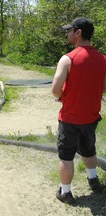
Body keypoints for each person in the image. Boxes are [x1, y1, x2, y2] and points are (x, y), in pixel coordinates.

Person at [51, 17, 106, 204]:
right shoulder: (103, 59)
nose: (67, 34)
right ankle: (93, 180)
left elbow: (55, 90)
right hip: (91, 118)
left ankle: (65, 192)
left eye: (69, 30)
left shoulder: (68, 59)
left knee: (66, 157)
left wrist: (63, 95)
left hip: (70, 119)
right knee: (89, 151)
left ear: (78, 32)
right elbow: (104, 87)